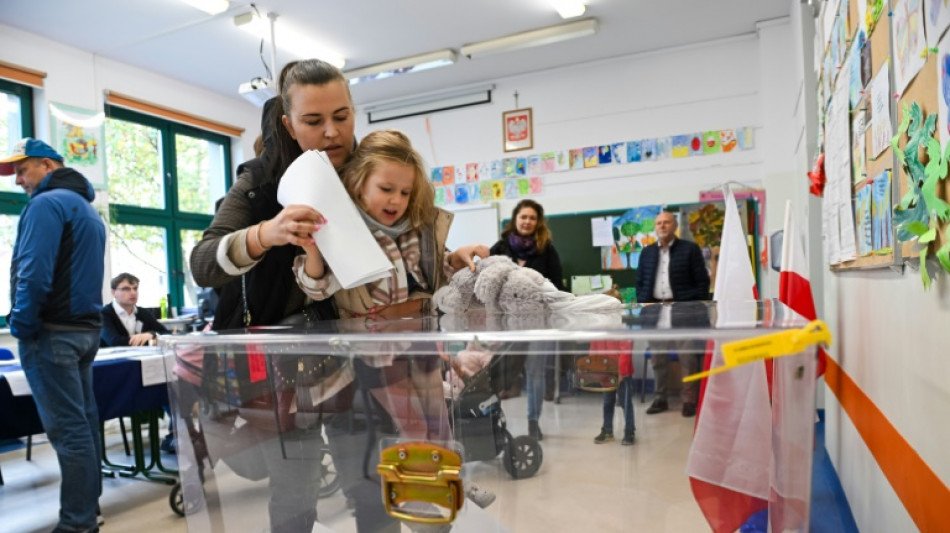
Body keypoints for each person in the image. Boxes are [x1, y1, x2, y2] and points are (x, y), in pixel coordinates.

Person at [189, 60, 483, 533]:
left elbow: (402, 244)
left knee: (371, 483)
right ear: (287, 123)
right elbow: (203, 263)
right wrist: (267, 233)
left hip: (370, 364)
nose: (332, 132)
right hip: (293, 369)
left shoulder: (367, 170)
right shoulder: (260, 184)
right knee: (295, 490)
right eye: (313, 121)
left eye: (342, 116)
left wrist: (448, 258)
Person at [2, 138, 106, 533]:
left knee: (69, 431)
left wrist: (21, 326)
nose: (16, 180)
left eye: (21, 169)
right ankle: (88, 510)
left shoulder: (46, 205)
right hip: (83, 331)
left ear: (46, 165)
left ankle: (77, 524)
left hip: (51, 334)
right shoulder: (86, 210)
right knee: (85, 423)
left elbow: (33, 271)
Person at [293, 129, 488, 317]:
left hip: (418, 337)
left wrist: (454, 259)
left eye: (405, 192)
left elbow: (433, 276)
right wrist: (312, 252)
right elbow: (317, 290)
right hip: (364, 340)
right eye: (386, 189)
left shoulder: (416, 230)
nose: (396, 200)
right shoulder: (342, 232)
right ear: (357, 183)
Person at [489, 199, 564, 441]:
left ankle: (533, 422)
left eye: (532, 218)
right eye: (523, 217)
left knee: (535, 373)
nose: (527, 221)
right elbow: (487, 283)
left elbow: (557, 286)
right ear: (515, 219)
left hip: (538, 323)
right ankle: (493, 422)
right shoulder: (499, 249)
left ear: (538, 222)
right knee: (499, 374)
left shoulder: (547, 250)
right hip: (504, 324)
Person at [635, 211, 711, 417]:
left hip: (683, 312)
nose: (662, 226)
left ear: (674, 225)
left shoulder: (690, 250)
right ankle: (661, 398)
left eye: (666, 222)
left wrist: (691, 304)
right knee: (658, 360)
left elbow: (702, 283)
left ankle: (689, 400)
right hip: (655, 313)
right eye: (659, 223)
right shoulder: (647, 252)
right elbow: (640, 283)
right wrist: (645, 302)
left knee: (688, 359)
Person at [100, 273, 170, 347]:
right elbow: (115, 342)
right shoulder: (103, 314)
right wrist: (151, 340)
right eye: (126, 289)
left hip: (142, 357)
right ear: (113, 292)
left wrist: (152, 334)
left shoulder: (143, 313)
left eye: (135, 288)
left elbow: (166, 333)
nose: (133, 293)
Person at [591, 339, 636, 446]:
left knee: (625, 402)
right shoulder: (599, 329)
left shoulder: (621, 328)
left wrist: (621, 371)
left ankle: (629, 431)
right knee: (607, 402)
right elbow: (594, 349)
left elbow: (626, 350)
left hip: (622, 373)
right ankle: (607, 430)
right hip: (605, 370)